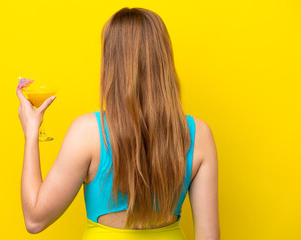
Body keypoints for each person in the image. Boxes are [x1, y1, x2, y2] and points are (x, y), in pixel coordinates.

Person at [16, 7, 220, 240]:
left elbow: (34, 220)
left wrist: (31, 132)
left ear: (112, 63)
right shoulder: (199, 135)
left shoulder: (88, 132)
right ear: (164, 60)